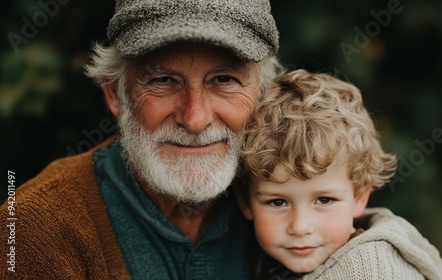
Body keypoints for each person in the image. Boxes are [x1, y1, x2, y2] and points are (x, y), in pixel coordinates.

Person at [0, 0, 281, 279]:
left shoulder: (300, 200)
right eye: (162, 80)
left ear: (263, 91)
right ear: (115, 94)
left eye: (224, 79)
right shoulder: (33, 229)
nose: (195, 120)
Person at [237, 69, 442, 279]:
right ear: (246, 202)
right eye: (277, 202)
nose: (300, 227)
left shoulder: (374, 271)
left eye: (324, 199)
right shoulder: (255, 261)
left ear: (359, 196)